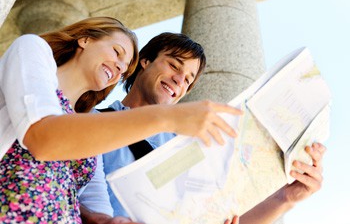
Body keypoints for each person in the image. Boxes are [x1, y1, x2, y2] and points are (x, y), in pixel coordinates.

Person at [0, 17, 242, 223]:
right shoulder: (33, 50)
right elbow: (44, 138)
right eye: (117, 52)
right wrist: (167, 117)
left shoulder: (81, 124)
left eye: (124, 68)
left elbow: (94, 206)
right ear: (85, 39)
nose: (118, 68)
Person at [79, 32, 326, 224]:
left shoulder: (194, 147)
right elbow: (50, 181)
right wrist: (95, 218)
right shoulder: (88, 121)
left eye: (188, 79)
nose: (179, 80)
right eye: (175, 66)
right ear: (145, 61)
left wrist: (287, 197)